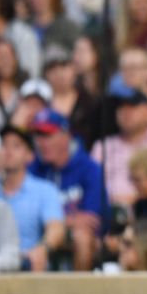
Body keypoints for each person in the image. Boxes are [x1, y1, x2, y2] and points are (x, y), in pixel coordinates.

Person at [0, 126, 65, 271]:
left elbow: (56, 228)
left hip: (26, 265)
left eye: (16, 146)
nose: (8, 151)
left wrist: (43, 249)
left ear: (30, 155)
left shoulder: (44, 190)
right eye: (4, 145)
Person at [29, 109, 106, 271]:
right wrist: (68, 220)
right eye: (38, 136)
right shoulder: (33, 168)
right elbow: (26, 213)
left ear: (66, 136)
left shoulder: (90, 169)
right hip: (41, 233)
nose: (41, 143)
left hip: (77, 238)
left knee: (82, 236)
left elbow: (90, 221)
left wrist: (57, 222)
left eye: (48, 135)